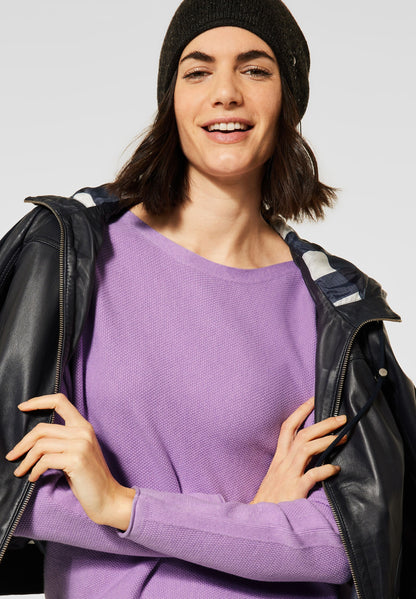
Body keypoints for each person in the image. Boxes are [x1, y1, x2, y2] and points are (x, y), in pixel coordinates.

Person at [0, 0, 415, 598]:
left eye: (255, 69)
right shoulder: (70, 255)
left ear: (288, 100)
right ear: (171, 99)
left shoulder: (331, 306)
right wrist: (255, 524)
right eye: (198, 71)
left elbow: (340, 543)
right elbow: (13, 495)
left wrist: (121, 505)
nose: (225, 93)